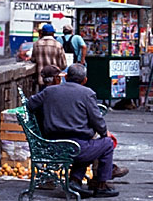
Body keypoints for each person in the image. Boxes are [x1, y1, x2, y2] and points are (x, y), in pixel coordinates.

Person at [27, 64, 127, 198]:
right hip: (76, 147)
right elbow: (97, 121)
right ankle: (101, 185)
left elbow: (30, 104)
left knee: (86, 144)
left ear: (66, 77)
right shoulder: (87, 93)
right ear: (84, 80)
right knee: (106, 143)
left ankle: (75, 180)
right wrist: (104, 133)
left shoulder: (49, 91)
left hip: (52, 146)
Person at [30, 23, 66, 89]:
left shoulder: (36, 44)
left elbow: (33, 59)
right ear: (52, 33)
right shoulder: (58, 45)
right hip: (55, 80)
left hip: (42, 79)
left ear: (42, 33)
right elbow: (63, 65)